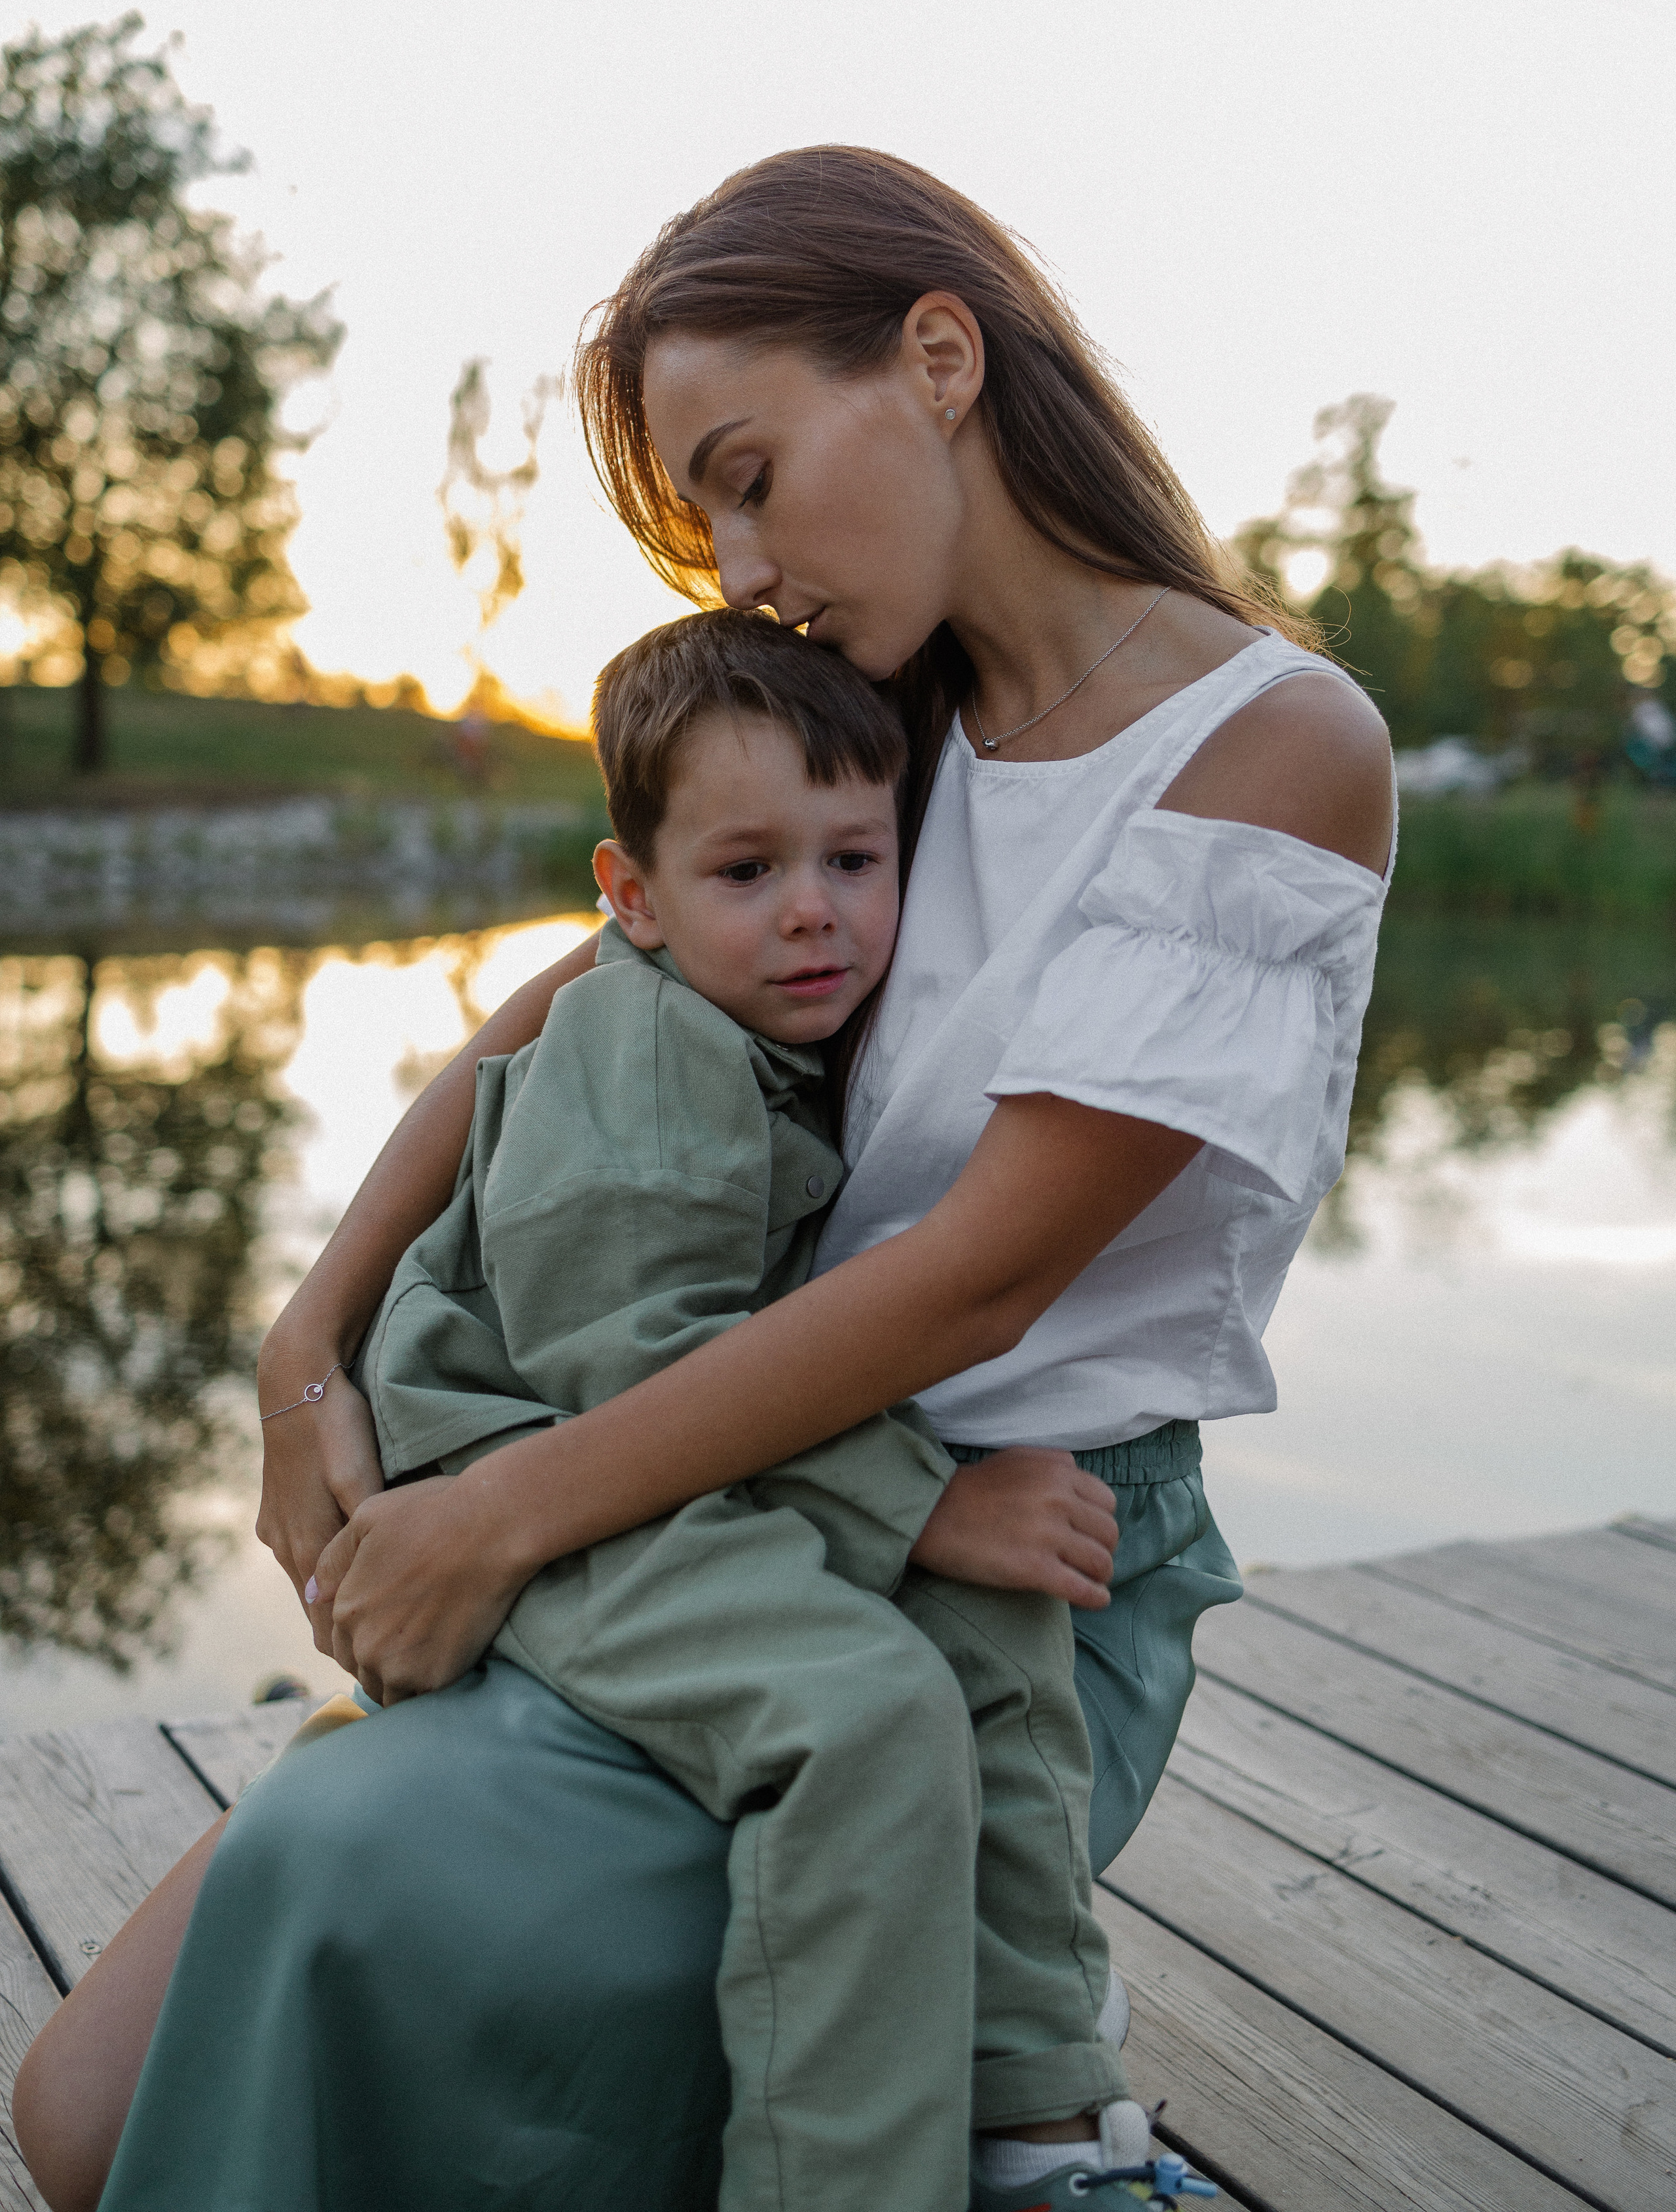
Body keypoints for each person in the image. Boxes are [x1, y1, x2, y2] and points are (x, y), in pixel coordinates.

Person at [16, 146, 1393, 2212]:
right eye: (706, 520)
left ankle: (1019, 2132)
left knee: (332, 1925)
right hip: (686, 1507)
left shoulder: (1269, 748)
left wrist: (495, 1515)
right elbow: (554, 1009)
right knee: (88, 2112)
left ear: (939, 358)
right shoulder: (879, 728)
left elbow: (976, 1283)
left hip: (989, 1585)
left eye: (750, 478)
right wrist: (307, 1344)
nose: (739, 567)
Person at [358, 604, 1139, 2205]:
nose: (811, 913)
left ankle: (1035, 2113)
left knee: (991, 1635)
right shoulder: (642, 1050)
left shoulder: (757, 1023)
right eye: (745, 871)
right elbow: (629, 1361)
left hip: (647, 1458)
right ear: (630, 897)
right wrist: (923, 1501)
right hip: (521, 1465)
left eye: (853, 860)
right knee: (862, 1713)